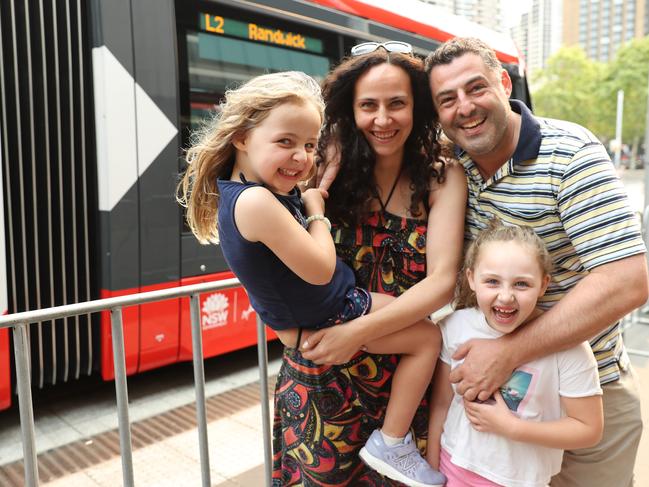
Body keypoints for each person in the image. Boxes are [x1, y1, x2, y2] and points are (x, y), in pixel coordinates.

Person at [177, 70, 450, 487]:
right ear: (241, 137)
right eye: (286, 142)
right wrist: (316, 211)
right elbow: (321, 268)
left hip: (325, 324)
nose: (302, 157)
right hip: (335, 316)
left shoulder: (249, 189)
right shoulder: (255, 201)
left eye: (308, 144)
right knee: (428, 338)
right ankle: (393, 442)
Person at [425, 36, 648, 487]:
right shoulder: (448, 167)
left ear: (504, 83)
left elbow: (628, 279)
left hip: (585, 396)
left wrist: (508, 354)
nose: (464, 107)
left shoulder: (570, 153)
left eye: (476, 88)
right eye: (447, 99)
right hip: (487, 407)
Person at [273, 44, 467, 485]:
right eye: (368, 106)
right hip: (320, 382)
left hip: (402, 389)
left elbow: (441, 283)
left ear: (418, 107)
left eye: (397, 103)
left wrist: (356, 333)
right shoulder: (320, 167)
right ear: (348, 110)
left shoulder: (442, 175)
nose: (383, 120)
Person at [429, 219, 603, 487]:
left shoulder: (569, 348)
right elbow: (441, 404)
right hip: (452, 466)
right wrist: (431, 471)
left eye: (521, 284)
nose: (506, 296)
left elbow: (589, 429)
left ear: (544, 285)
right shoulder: (455, 326)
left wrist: (513, 428)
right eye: (492, 282)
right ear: (471, 279)